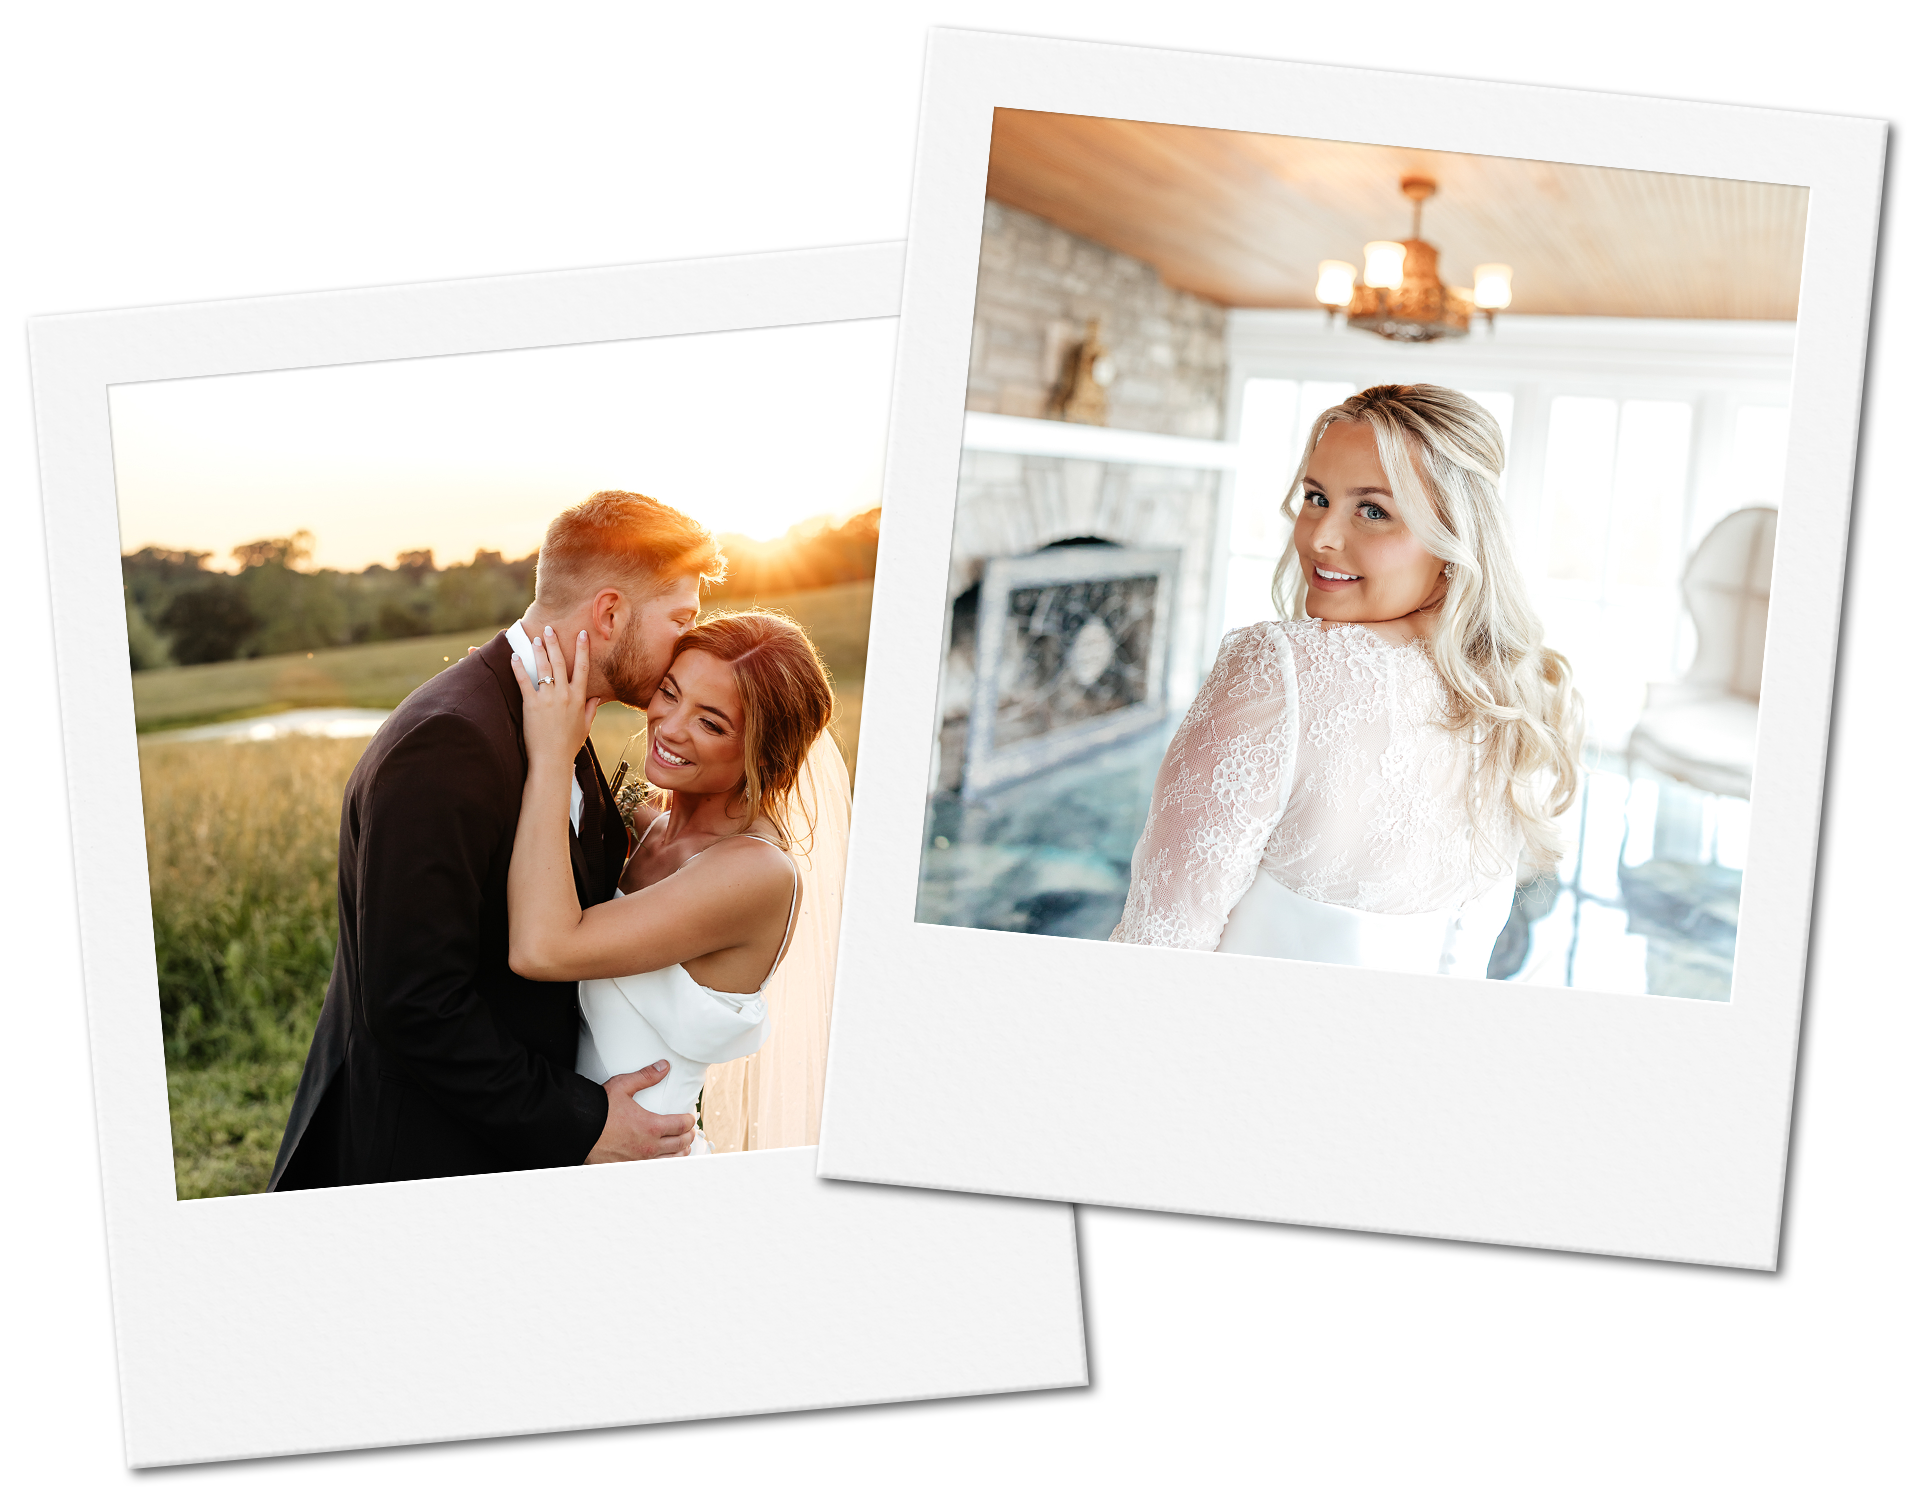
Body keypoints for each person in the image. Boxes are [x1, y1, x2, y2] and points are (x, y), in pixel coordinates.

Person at [269, 491, 725, 1190]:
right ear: (609, 614)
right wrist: (582, 1121)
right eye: (682, 619)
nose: (689, 644)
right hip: (424, 1160)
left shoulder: (556, 715)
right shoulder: (449, 741)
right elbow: (414, 1002)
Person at [1110, 384, 1582, 976]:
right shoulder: (1507, 690)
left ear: (1455, 541)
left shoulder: (1279, 670)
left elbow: (1157, 945)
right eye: (1316, 497)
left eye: (1373, 510)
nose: (1319, 537)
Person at [503, 611, 837, 1154]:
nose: (671, 726)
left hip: (640, 1159)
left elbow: (543, 948)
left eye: (712, 723)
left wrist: (551, 755)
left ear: (765, 752)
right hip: (569, 1134)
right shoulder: (645, 822)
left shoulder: (754, 872)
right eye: (669, 692)